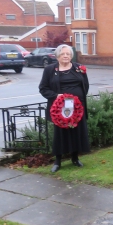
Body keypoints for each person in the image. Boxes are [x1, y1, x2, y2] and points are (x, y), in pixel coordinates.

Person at [39, 44, 90, 173]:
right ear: (57, 56)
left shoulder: (79, 68)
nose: (66, 56)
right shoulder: (50, 70)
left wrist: (79, 100)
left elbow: (85, 86)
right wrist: (56, 96)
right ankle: (58, 161)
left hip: (77, 107)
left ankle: (75, 158)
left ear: (71, 56)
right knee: (60, 134)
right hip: (59, 108)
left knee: (76, 132)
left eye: (68, 54)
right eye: (63, 54)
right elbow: (43, 88)